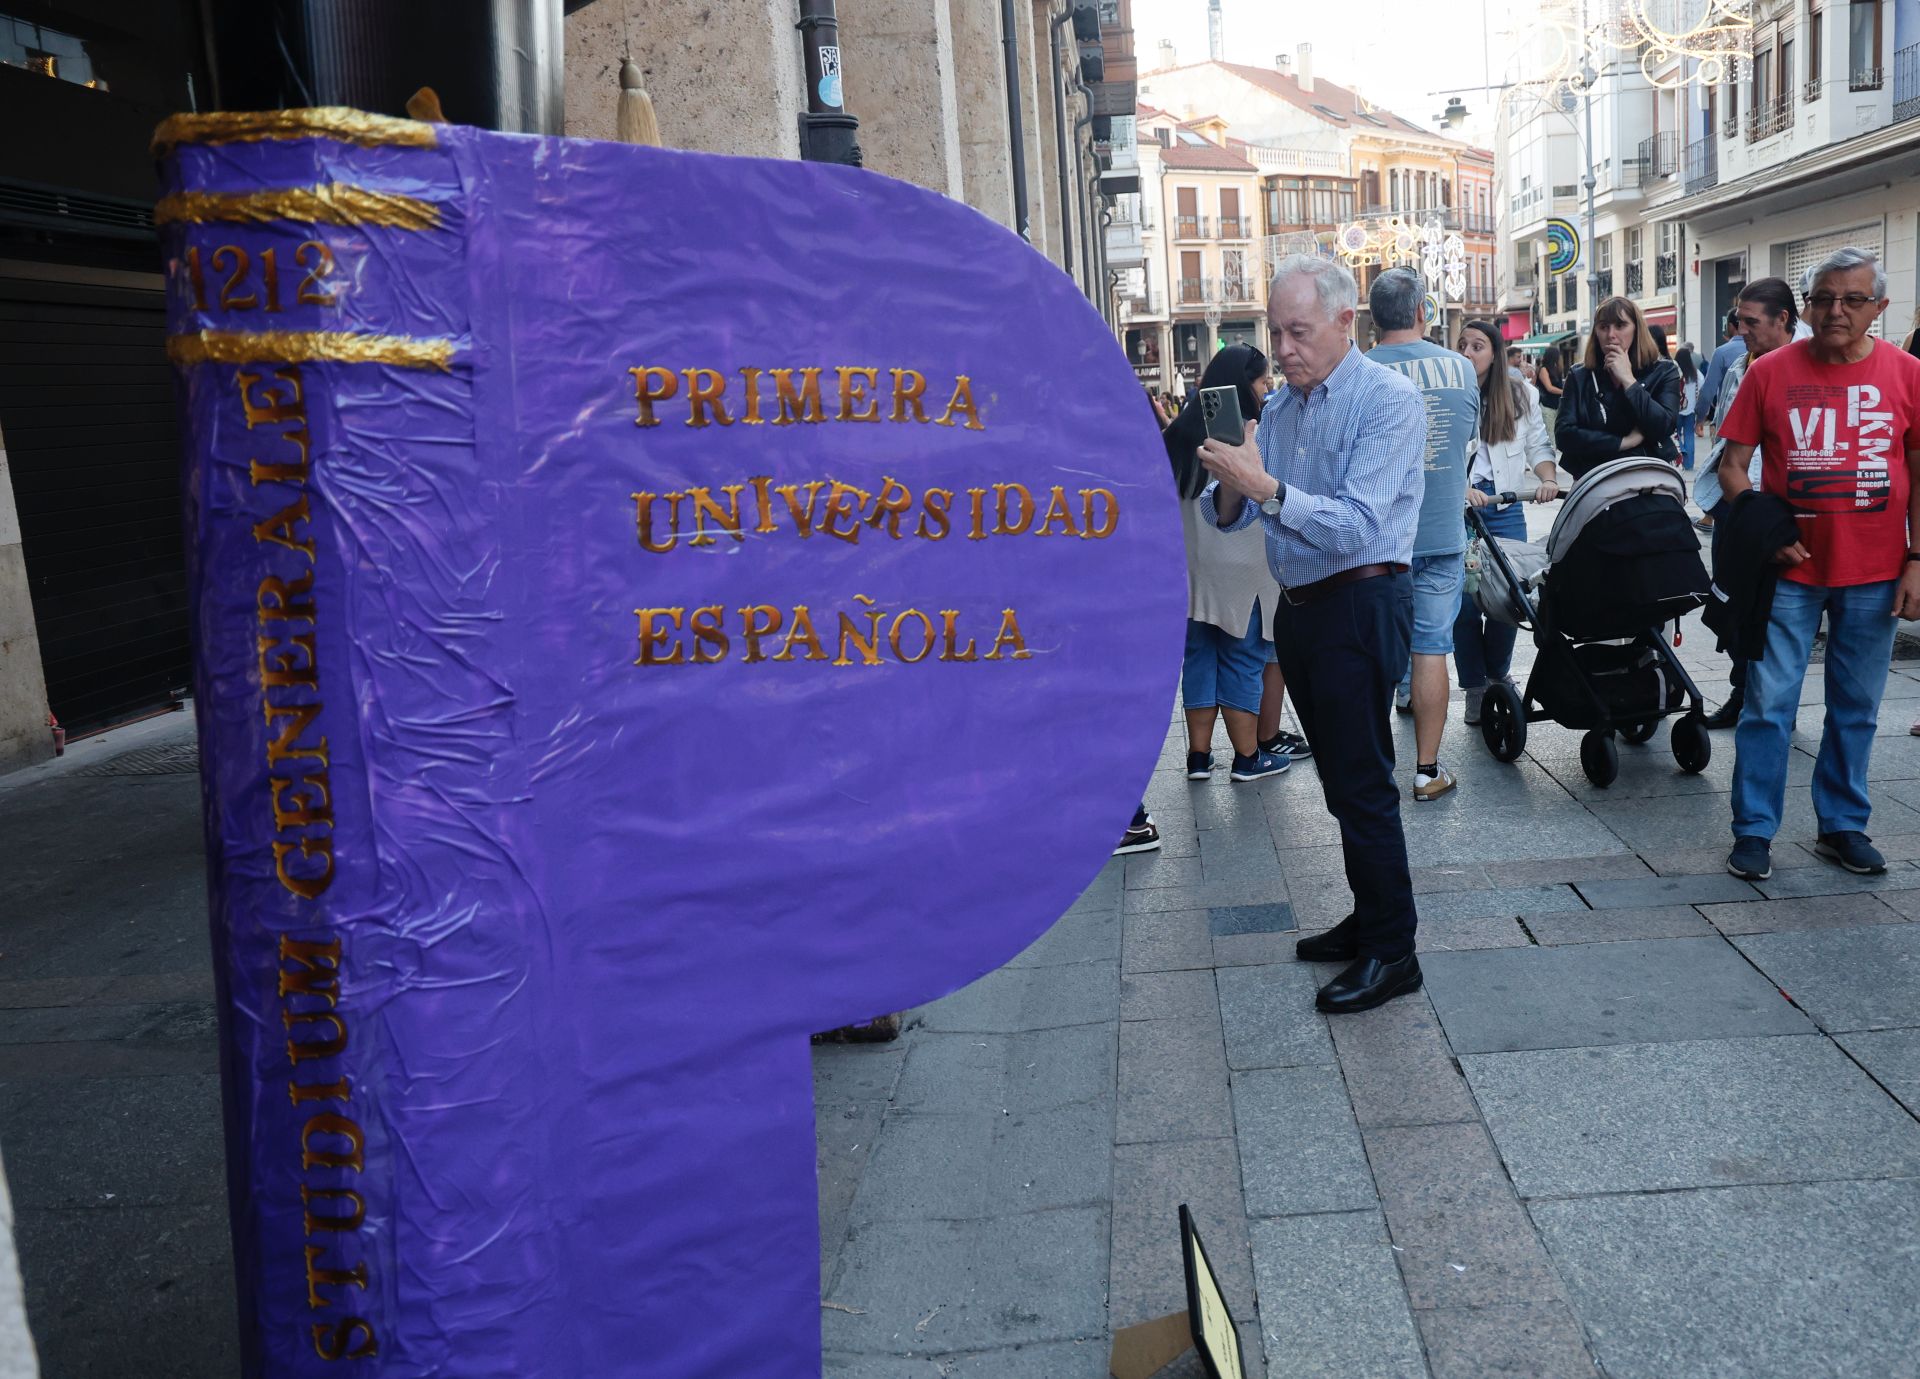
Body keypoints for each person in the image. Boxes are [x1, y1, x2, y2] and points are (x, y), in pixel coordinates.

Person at [1197, 254, 1427, 1015]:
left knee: (1362, 782)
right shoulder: (1285, 409)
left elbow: (1357, 522)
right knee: (1338, 780)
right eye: (1275, 332)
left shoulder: (1387, 400)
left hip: (1360, 602)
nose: (1284, 349)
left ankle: (1394, 950)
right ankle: (1371, 915)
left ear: (1343, 321)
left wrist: (1265, 488)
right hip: (1298, 608)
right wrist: (1234, 489)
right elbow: (1235, 512)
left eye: (1297, 331)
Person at [1715, 247, 1920, 882]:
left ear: (1879, 308)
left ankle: (1842, 825)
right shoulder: (1770, 372)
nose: (1837, 310)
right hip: (1791, 572)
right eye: (1824, 298)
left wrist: (1917, 559)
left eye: (1853, 299)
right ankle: (1753, 830)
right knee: (1769, 704)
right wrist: (1763, 527)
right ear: (1806, 306)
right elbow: (1731, 466)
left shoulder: (1908, 374)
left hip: (1877, 569)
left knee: (1856, 705)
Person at [1368, 268, 1478, 802]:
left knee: (1375, 651)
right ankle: (1426, 769)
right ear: (1421, 312)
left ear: (1372, 317)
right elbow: (1464, 444)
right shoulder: (1460, 368)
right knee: (1432, 647)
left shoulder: (1356, 372)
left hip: (1377, 541)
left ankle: (1373, 766)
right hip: (1440, 534)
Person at [1164, 345, 1291, 782]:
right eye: (1261, 380)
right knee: (1243, 658)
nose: (1267, 387)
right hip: (1244, 567)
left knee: (1198, 658)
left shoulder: (1176, 435)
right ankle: (1247, 757)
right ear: (1244, 384)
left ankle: (1198, 757)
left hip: (1192, 572)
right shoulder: (1245, 436)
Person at [1694, 277, 1797, 730]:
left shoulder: (1801, 363)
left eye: (1751, 322)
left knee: (1772, 611)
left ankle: (1771, 701)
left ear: (1783, 320)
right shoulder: (1740, 362)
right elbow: (1727, 438)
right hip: (1734, 502)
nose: (1741, 330)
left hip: (1776, 506)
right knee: (1731, 603)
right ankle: (1744, 691)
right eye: (1738, 320)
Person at [1454, 318, 1561, 724]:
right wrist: (1459, 488)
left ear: (1495, 353)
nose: (1467, 352)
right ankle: (1474, 687)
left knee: (1511, 596)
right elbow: (1435, 447)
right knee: (1464, 603)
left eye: (1477, 346)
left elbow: (1537, 442)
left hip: (1505, 505)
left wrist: (1547, 477)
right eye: (1462, 344)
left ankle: (1499, 675)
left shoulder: (1520, 393)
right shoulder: (1451, 392)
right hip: (1460, 509)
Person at [1554, 295, 1684, 478]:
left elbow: (1663, 425)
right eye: (1603, 327)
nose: (1611, 335)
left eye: (1620, 326)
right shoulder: (1580, 375)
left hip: (1648, 476)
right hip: (1594, 478)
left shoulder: (1663, 371)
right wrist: (1622, 442)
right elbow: (1564, 435)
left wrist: (1629, 381)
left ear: (1636, 330)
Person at [1696, 306, 1747, 428]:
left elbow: (1708, 391)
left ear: (1730, 326)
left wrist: (1700, 418)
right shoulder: (1763, 349)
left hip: (1726, 420)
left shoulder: (1721, 353)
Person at [1675, 346, 1700, 470]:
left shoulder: (1674, 370)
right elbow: (1702, 387)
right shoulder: (1695, 373)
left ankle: (1682, 451)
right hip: (1690, 409)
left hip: (1676, 409)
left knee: (1676, 434)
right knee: (1689, 434)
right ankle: (1689, 463)